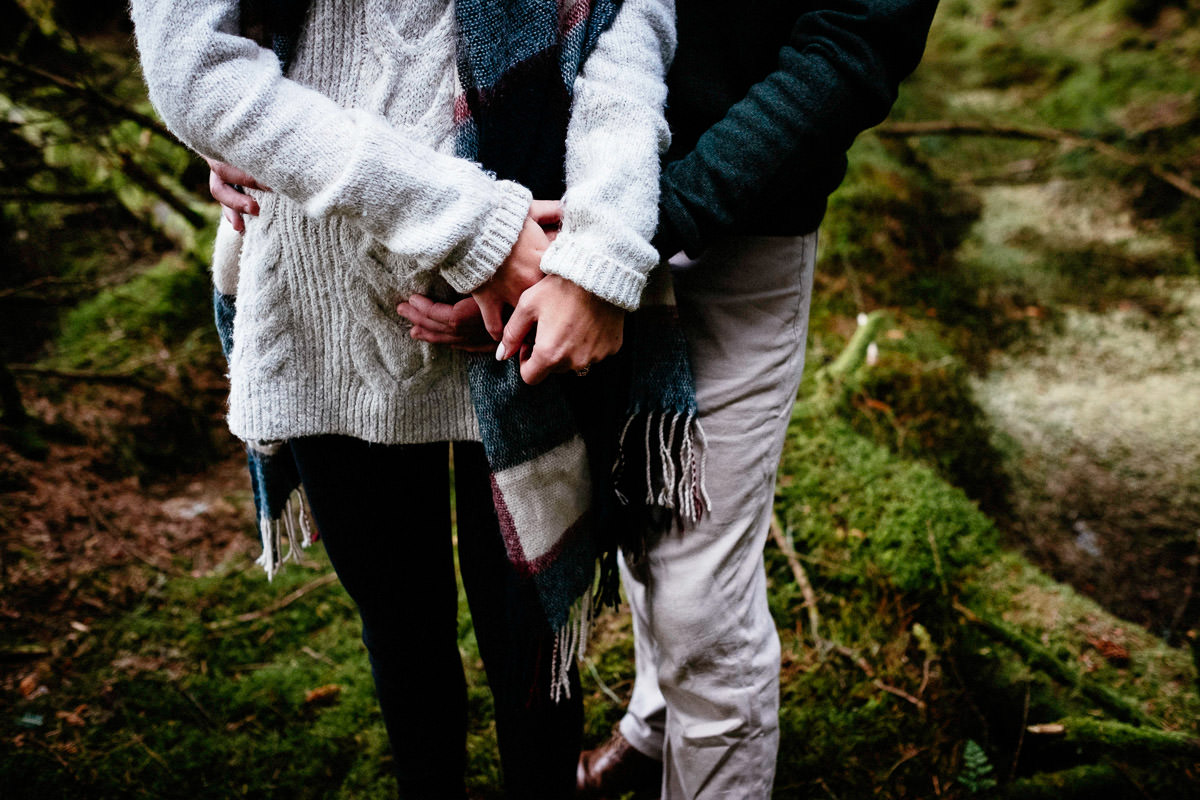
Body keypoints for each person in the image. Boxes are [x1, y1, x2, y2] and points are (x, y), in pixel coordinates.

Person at [131, 0, 679, 797]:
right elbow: (195, 67)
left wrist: (599, 255)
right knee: (400, 628)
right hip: (331, 298)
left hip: (540, 283)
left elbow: (627, 29)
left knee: (534, 639)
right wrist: (476, 229)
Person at [396, 2, 942, 797]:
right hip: (550, 221)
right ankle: (655, 724)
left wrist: (614, 248)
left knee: (700, 605)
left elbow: (853, 43)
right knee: (637, 513)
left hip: (729, 233)